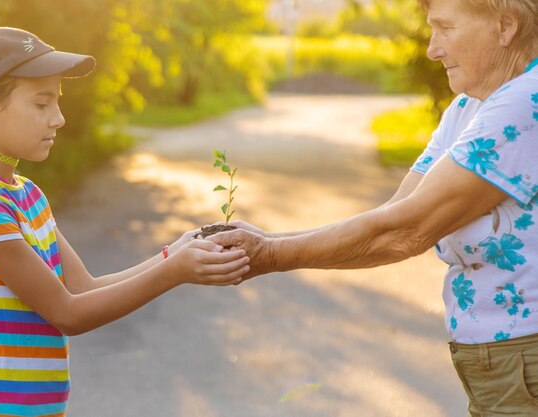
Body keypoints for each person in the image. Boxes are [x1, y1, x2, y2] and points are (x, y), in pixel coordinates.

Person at [210, 0, 538, 415]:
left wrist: (268, 256)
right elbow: (395, 213)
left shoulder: (527, 102)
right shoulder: (470, 107)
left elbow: (406, 231)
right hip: (501, 364)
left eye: (445, 28)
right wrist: (262, 240)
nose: (432, 49)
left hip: (524, 361)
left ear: (505, 26)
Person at [0, 27, 250, 417]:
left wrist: (174, 249)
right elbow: (67, 313)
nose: (58, 119)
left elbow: (83, 288)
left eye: (56, 102)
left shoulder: (25, 194)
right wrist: (174, 271)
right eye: (42, 104)